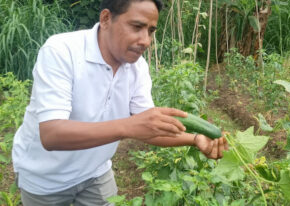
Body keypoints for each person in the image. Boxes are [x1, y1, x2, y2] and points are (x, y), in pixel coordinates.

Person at [12, 0, 228, 205]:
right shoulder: (61, 51)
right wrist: (128, 127)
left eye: (151, 30)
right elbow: (51, 134)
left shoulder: (137, 67)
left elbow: (149, 129)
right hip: (45, 179)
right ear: (106, 19)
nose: (146, 40)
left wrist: (196, 138)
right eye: (137, 27)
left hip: (96, 171)